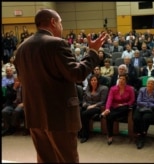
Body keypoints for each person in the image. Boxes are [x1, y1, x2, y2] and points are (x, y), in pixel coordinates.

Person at [13, 9, 107, 163]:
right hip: (59, 116)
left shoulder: (22, 48)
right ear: (53, 22)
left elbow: (22, 79)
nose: (62, 27)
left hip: (35, 114)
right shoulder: (57, 44)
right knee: (66, 159)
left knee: (45, 158)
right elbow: (77, 74)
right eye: (61, 23)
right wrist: (93, 52)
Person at [100, 74, 135, 145]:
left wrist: (123, 104)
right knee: (109, 116)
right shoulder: (113, 88)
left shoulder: (130, 89)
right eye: (120, 79)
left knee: (123, 109)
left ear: (126, 81)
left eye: (123, 79)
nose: (121, 80)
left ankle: (106, 114)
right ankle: (110, 136)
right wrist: (107, 109)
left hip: (124, 108)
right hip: (115, 107)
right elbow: (109, 100)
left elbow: (132, 100)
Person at [133, 77, 154, 149]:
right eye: (149, 83)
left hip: (151, 110)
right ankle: (141, 133)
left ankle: (141, 136)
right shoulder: (142, 90)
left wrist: (146, 104)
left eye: (152, 83)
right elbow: (138, 102)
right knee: (136, 118)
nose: (150, 84)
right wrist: (149, 103)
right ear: (146, 84)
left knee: (145, 118)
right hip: (140, 108)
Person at [79, 75, 108, 143]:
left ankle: (85, 135)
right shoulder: (88, 88)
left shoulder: (104, 88)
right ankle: (81, 132)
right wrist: (85, 104)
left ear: (98, 81)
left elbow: (102, 101)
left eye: (95, 80)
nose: (93, 81)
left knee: (83, 114)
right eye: (92, 80)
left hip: (97, 107)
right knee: (78, 111)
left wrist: (93, 106)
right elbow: (84, 99)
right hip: (87, 106)